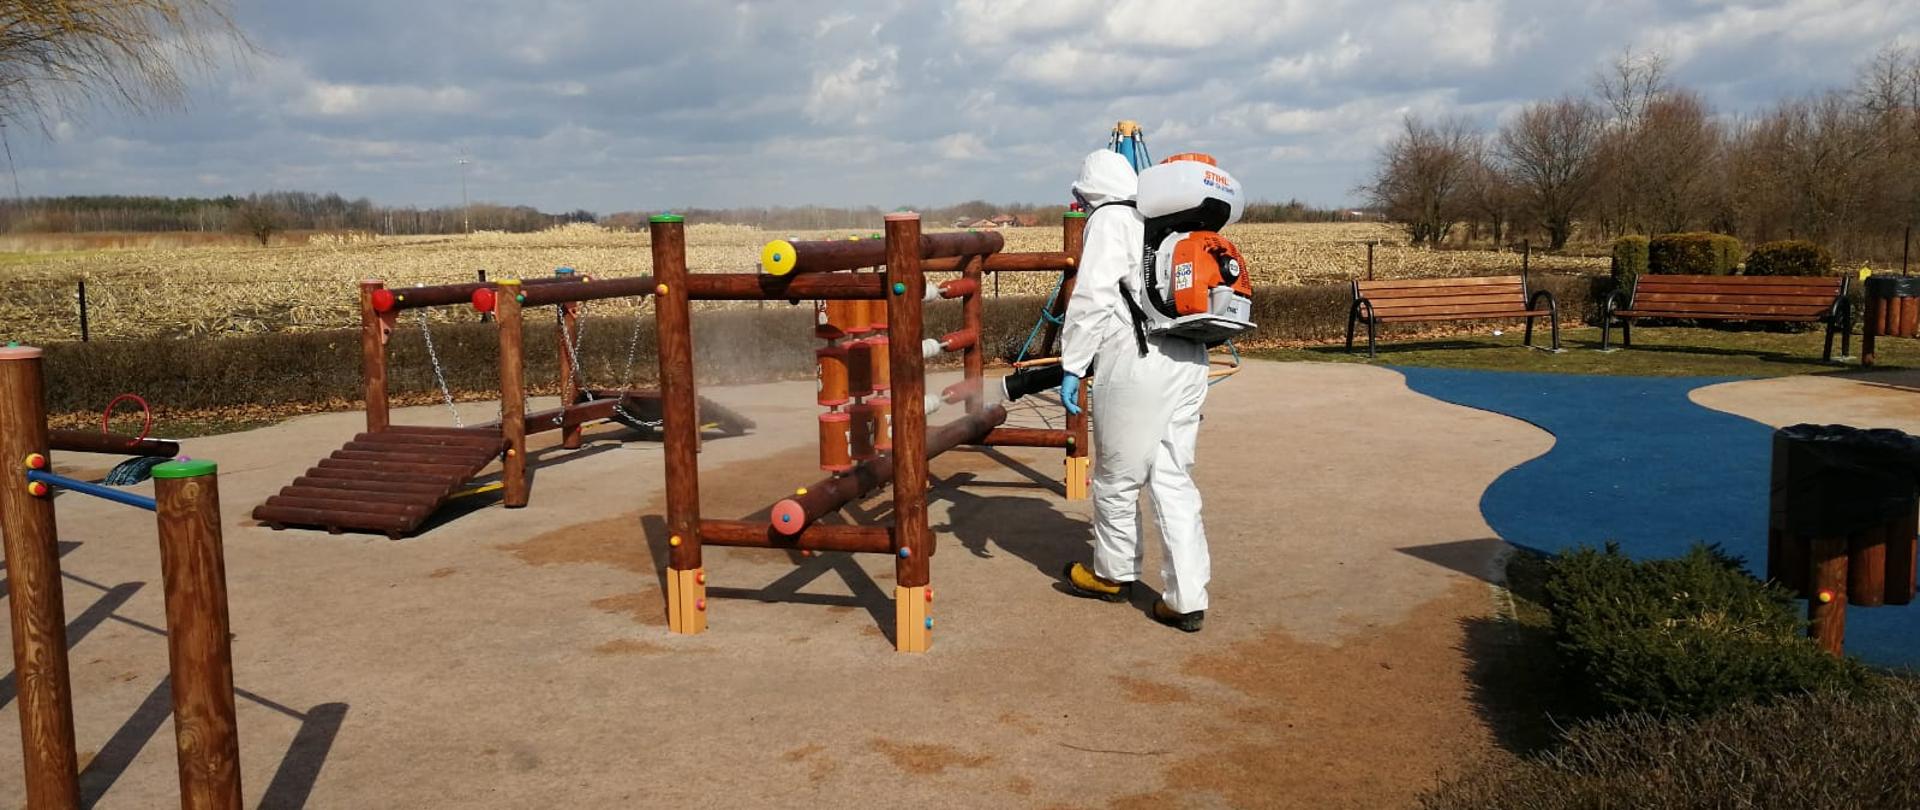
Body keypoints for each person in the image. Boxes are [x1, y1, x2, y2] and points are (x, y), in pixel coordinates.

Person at [1056, 150, 1213, 632]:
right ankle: (1186, 598)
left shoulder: (1111, 219)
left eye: (1081, 194)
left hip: (1138, 361)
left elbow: (1093, 296)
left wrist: (1073, 365)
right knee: (1172, 476)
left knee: (1117, 475)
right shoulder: (1165, 219)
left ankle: (1111, 573)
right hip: (1189, 355)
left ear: (1093, 190)